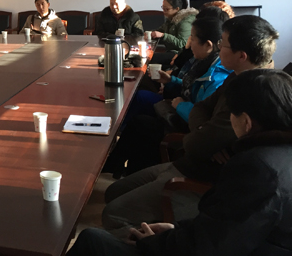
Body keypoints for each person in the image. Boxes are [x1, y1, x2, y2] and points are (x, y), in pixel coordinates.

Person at [68, 68, 292, 256]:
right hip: (204, 237)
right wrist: (175, 231)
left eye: (231, 114)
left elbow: (210, 246)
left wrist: (155, 242)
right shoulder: (277, 155)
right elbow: (223, 228)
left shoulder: (258, 168)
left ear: (246, 122)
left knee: (92, 239)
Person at [101, 15, 278, 237]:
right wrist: (206, 132)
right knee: (112, 192)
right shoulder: (235, 78)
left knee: (112, 215)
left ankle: (156, 244)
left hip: (201, 176)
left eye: (223, 44)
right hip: (189, 162)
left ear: (241, 56)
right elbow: (200, 108)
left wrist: (204, 136)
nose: (219, 48)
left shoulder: (252, 95)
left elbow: (195, 144)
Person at [104, 16, 231, 178]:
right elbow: (192, 88)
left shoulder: (216, 76)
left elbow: (203, 114)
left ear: (208, 45)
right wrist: (171, 81)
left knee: (142, 124)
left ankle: (123, 170)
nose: (189, 42)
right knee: (139, 119)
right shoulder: (204, 62)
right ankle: (117, 166)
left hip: (189, 127)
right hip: (181, 111)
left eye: (192, 38)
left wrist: (180, 105)